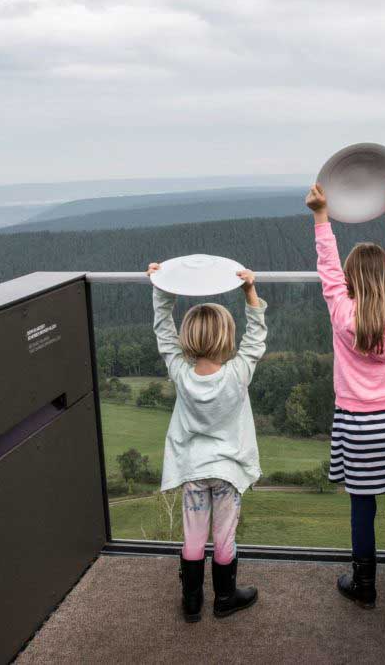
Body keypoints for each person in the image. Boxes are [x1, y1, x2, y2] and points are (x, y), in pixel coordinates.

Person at [305, 174, 385, 610]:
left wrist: (321, 216)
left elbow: (328, 269)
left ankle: (365, 586)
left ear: (351, 283)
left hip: (356, 423)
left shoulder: (343, 314)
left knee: (362, 509)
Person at [147, 263, 267, 622]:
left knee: (193, 536)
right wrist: (249, 293)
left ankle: (192, 601)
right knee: (224, 536)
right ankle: (225, 598)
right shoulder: (238, 373)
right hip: (228, 472)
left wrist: (161, 287)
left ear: (188, 339)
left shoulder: (181, 374)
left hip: (194, 470)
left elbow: (163, 334)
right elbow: (256, 338)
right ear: (226, 338)